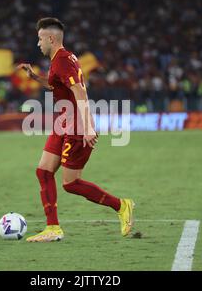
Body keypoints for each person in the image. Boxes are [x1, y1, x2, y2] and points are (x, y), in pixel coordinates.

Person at [17, 17, 134, 242]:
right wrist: (33, 77)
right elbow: (55, 85)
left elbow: (80, 91)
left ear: (51, 38)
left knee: (71, 183)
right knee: (43, 171)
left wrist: (89, 127)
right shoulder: (62, 59)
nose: (38, 44)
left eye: (40, 39)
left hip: (76, 126)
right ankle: (53, 228)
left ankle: (121, 206)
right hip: (63, 124)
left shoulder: (62, 60)